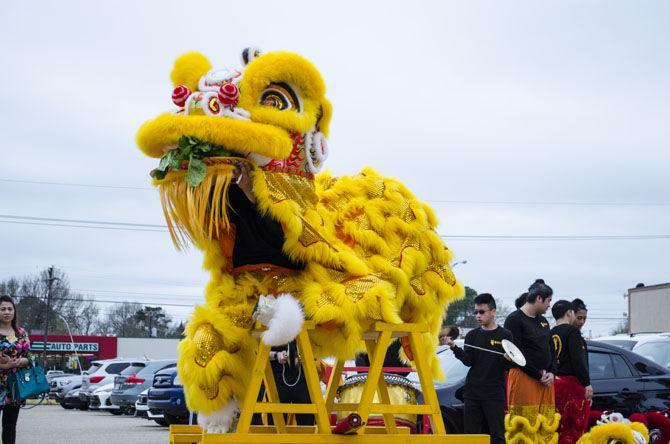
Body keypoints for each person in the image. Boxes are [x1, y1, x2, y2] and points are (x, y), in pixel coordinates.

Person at [443, 293, 512, 444]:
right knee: (471, 435)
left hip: (494, 394)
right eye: (476, 312)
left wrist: (509, 360)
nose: (478, 316)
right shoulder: (472, 336)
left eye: (482, 312)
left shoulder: (505, 335)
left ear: (493, 312)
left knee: (497, 436)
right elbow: (468, 361)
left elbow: (509, 366)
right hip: (473, 393)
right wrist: (453, 346)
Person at [503, 279, 559, 443]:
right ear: (539, 298)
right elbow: (515, 354)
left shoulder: (543, 321)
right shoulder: (514, 319)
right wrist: (537, 375)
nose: (550, 305)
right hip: (524, 377)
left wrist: (552, 372)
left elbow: (551, 351)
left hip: (545, 380)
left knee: (545, 424)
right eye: (548, 301)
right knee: (524, 424)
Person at [551, 300, 592, 444]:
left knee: (557, 427)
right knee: (573, 428)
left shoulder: (550, 332)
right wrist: (586, 384)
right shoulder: (572, 331)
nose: (580, 321)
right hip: (571, 386)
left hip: (554, 385)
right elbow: (578, 360)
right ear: (569, 313)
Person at [0, 295, 31, 444]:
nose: (7, 312)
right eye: (3, 309)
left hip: (14, 386)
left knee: (10, 426)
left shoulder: (21, 333)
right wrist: (5, 365)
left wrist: (19, 362)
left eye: (9, 309)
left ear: (14, 311)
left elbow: (29, 359)